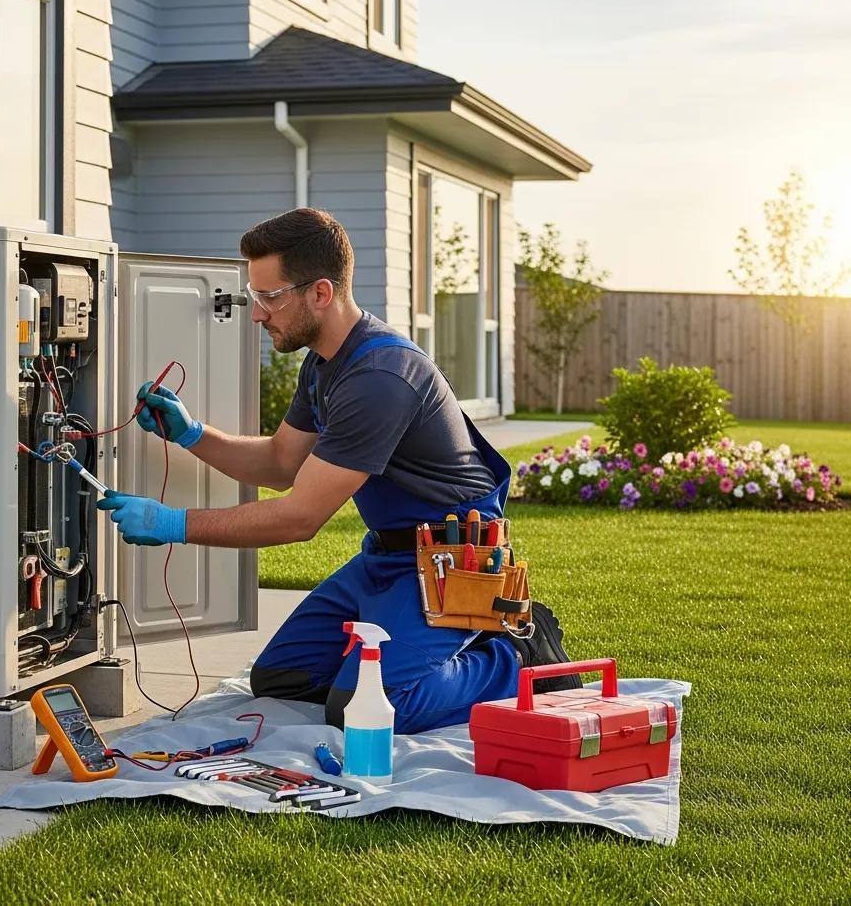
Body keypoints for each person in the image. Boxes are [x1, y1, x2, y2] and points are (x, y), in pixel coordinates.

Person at [98, 208, 578, 734]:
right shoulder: (326, 363)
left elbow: (298, 518)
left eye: (270, 296)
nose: (257, 313)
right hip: (388, 561)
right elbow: (282, 463)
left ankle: (520, 656)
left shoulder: (380, 377)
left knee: (374, 707)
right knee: (283, 677)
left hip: (453, 563)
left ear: (321, 292)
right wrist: (192, 434)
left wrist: (173, 525)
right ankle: (410, 650)